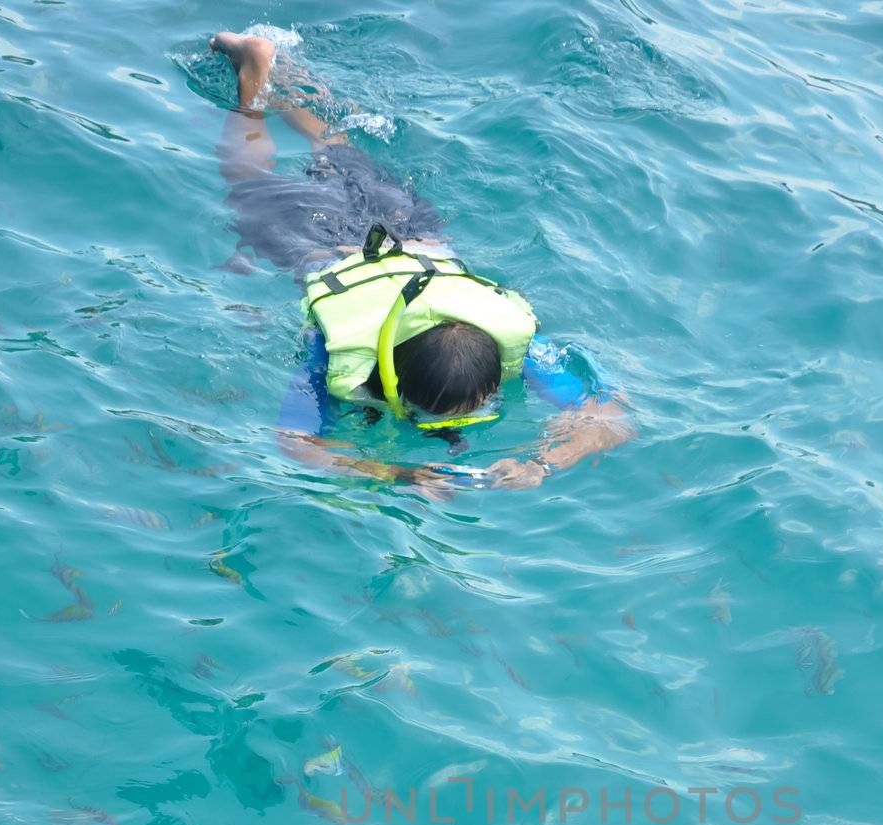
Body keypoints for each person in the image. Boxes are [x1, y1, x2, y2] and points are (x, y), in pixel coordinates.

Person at [210, 31, 633, 492]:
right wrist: (393, 475)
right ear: (395, 380)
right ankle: (251, 89)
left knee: (333, 148)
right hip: (332, 235)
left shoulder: (498, 346)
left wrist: (540, 464)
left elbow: (611, 416)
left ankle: (264, 73)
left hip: (406, 233)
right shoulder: (336, 352)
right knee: (254, 176)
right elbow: (294, 443)